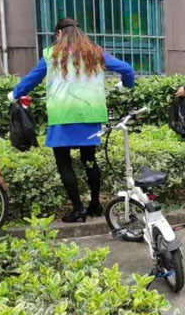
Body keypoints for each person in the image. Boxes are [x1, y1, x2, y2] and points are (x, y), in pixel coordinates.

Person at [8, 18, 135, 223]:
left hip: (62, 115)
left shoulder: (51, 54)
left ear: (59, 34)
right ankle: (95, 204)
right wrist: (125, 85)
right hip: (90, 115)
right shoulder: (95, 52)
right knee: (89, 160)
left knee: (64, 163)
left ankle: (78, 208)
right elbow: (127, 69)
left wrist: (14, 94)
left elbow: (32, 78)